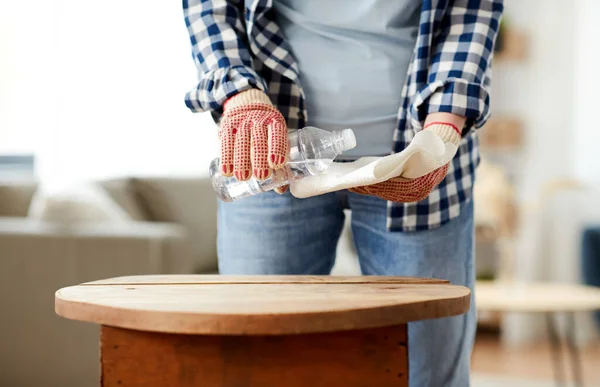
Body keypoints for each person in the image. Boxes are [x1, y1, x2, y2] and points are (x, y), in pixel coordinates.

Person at [183, 1, 503, 385]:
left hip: (416, 152)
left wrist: (442, 132)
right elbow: (212, 7)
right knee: (260, 363)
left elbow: (473, 13)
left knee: (428, 370)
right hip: (273, 154)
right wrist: (240, 94)